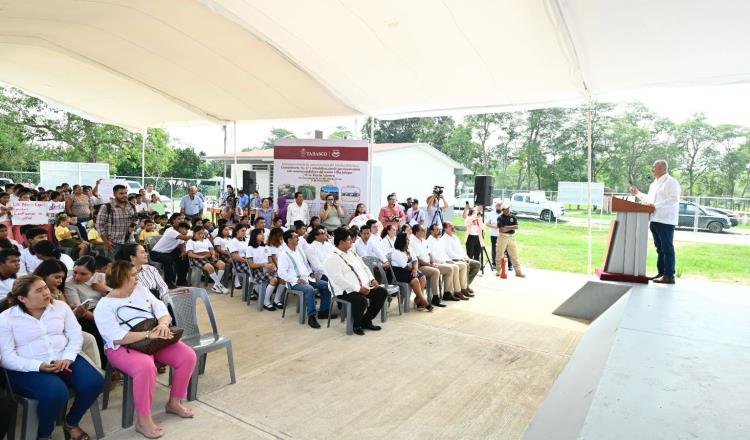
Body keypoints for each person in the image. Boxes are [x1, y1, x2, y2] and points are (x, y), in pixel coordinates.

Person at [94, 261, 197, 439]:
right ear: (122, 278)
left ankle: (174, 402)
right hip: (123, 347)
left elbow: (160, 307)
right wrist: (150, 334)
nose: (137, 277)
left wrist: (163, 324)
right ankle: (143, 420)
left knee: (187, 356)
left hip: (152, 340)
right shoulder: (104, 305)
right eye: (133, 275)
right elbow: (117, 337)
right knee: (145, 367)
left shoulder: (140, 289)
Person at [0, 275, 104, 440]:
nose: (46, 293)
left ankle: (70, 422)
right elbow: (6, 357)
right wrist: (39, 366)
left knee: (95, 382)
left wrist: (68, 357)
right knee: (56, 393)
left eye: (45, 288)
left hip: (63, 357)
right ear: (22, 298)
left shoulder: (60, 307)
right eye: (39, 290)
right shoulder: (6, 318)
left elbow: (75, 335)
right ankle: (44, 434)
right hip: (28, 367)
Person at [323, 227, 387, 335]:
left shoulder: (352, 252)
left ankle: (365, 321)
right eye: (348, 240)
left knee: (381, 293)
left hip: (363, 286)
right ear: (341, 242)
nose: (351, 242)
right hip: (345, 291)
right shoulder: (332, 258)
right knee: (361, 301)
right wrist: (358, 289)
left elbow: (365, 267)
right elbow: (338, 280)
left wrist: (372, 280)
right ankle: (356, 325)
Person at [629, 160, 681, 284]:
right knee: (659, 248)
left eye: (654, 167)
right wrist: (638, 194)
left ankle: (669, 275)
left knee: (667, 248)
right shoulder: (654, 184)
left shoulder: (671, 182)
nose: (652, 169)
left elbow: (673, 199)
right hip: (654, 218)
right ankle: (662, 273)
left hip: (665, 219)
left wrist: (655, 206)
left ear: (662, 168)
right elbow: (649, 199)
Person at [277, 230, 334, 328]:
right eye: (295, 237)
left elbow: (306, 264)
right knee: (309, 290)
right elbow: (281, 273)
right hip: (294, 282)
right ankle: (311, 317)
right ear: (289, 240)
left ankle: (323, 311)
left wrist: (311, 273)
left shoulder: (299, 250)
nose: (298, 238)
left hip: (307, 278)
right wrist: (296, 280)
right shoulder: (283, 254)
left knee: (326, 285)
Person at [65, 255, 110, 365]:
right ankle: (105, 365)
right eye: (75, 272)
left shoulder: (101, 278)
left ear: (93, 273)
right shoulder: (70, 283)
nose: (77, 277)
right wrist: (98, 319)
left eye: (83, 274)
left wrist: (104, 290)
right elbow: (79, 309)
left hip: (104, 309)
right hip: (85, 313)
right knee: (97, 331)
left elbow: (116, 297)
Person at [391, 233, 433, 311]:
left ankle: (418, 299)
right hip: (400, 272)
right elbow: (406, 267)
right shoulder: (396, 252)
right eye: (407, 239)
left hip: (411, 269)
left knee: (422, 277)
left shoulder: (409, 249)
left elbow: (415, 260)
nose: (409, 240)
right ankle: (424, 301)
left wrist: (415, 269)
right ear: (402, 241)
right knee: (415, 280)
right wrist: (414, 269)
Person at [426, 224, 469, 300]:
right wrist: (445, 261)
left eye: (439, 229)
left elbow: (443, 253)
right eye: (436, 230)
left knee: (461, 265)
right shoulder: (430, 241)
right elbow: (433, 257)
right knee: (454, 267)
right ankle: (453, 292)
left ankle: (459, 290)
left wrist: (449, 260)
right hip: (437, 263)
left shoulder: (438, 239)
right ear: (431, 231)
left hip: (444, 261)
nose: (439, 231)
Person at [95, 184, 137, 259]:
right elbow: (99, 225)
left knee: (130, 267)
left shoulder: (131, 205)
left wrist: (133, 225)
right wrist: (106, 242)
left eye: (125, 193)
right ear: (114, 194)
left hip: (130, 241)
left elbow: (136, 218)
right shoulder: (107, 207)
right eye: (121, 193)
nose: (124, 195)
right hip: (113, 243)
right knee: (112, 267)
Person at [246, 228, 284, 309]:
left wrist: (273, 266)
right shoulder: (250, 248)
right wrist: (264, 265)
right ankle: (265, 301)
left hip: (267, 269)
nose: (263, 236)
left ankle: (276, 300)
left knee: (283, 278)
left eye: (263, 234)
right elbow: (251, 265)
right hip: (257, 270)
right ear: (254, 236)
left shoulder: (266, 247)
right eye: (260, 234)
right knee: (274, 280)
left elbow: (270, 260)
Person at [410, 225, 447, 307]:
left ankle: (446, 293)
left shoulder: (424, 240)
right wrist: (430, 265)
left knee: (443, 269)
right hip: (420, 266)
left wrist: (433, 262)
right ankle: (435, 297)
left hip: (428, 264)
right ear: (417, 232)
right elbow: (418, 259)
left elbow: (430, 253)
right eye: (422, 230)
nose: (424, 231)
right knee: (436, 271)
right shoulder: (413, 243)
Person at [185, 226, 228, 294]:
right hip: (197, 257)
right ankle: (219, 285)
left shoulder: (206, 240)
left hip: (208, 256)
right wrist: (200, 257)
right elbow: (190, 254)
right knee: (209, 267)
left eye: (202, 233)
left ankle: (215, 285)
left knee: (222, 264)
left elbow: (211, 249)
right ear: (194, 234)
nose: (201, 235)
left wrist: (213, 255)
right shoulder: (190, 241)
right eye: (199, 233)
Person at [150, 221, 191, 289]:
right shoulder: (172, 232)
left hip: (167, 253)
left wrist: (183, 253)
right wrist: (196, 236)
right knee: (168, 259)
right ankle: (168, 282)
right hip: (156, 254)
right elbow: (185, 238)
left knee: (184, 257)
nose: (187, 231)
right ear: (180, 228)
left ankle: (181, 280)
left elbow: (182, 246)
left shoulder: (180, 236)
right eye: (186, 229)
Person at [442, 222, 480, 292]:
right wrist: (462, 259)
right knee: (466, 265)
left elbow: (461, 250)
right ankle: (464, 288)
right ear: (445, 229)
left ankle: (465, 285)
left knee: (477, 264)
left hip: (462, 258)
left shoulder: (455, 237)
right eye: (450, 226)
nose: (452, 226)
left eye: (452, 225)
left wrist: (467, 258)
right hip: (453, 260)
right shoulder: (444, 239)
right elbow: (450, 253)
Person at [495, 204, 526, 278]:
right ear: (503, 210)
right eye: (506, 209)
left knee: (514, 255)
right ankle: (499, 271)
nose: (508, 210)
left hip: (511, 237)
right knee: (499, 254)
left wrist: (507, 227)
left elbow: (516, 226)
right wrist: (511, 227)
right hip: (502, 236)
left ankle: (518, 272)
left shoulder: (513, 217)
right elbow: (501, 229)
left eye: (508, 208)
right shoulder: (500, 218)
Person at [227, 224, 251, 290]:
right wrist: (247, 262)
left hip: (248, 260)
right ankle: (250, 291)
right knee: (253, 272)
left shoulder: (247, 240)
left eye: (245, 231)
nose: (244, 232)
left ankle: (256, 290)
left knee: (262, 270)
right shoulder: (233, 242)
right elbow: (235, 256)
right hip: (239, 263)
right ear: (237, 232)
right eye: (242, 231)